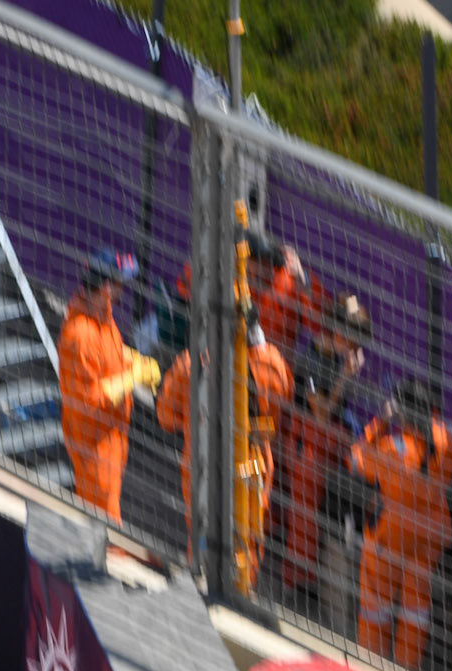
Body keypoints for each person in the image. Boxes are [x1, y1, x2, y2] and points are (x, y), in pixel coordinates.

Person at [156, 305, 291, 577]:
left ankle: (203, 577)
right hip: (251, 466)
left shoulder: (192, 364)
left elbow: (166, 417)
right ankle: (242, 586)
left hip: (206, 465)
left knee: (204, 531)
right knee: (247, 538)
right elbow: (276, 425)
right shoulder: (274, 364)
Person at [351, 377, 452, 669]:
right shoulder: (447, 441)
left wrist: (380, 421)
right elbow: (437, 432)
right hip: (430, 534)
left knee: (376, 603)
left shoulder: (391, 448)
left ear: (401, 411)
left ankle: (371, 666)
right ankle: (407, 670)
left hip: (391, 534)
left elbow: (356, 460)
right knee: (415, 607)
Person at [278, 293, 370, 608]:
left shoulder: (336, 356)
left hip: (327, 446)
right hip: (307, 447)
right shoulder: (314, 360)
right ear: (338, 332)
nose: (356, 350)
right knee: (303, 523)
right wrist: (345, 377)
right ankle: (295, 589)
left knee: (318, 521)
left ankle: (314, 584)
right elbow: (322, 412)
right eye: (353, 342)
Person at [59, 251, 160, 523]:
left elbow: (109, 353)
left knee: (103, 517)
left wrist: (134, 359)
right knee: (106, 526)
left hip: (111, 437)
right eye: (118, 284)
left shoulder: (102, 316)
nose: (122, 291)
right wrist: (132, 378)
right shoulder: (80, 335)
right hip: (94, 445)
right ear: (105, 287)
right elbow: (89, 398)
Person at [247, 231, 325, 358]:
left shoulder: (294, 279)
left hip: (279, 362)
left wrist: (304, 282)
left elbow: (320, 327)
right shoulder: (243, 280)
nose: (256, 278)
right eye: (252, 274)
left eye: (266, 263)